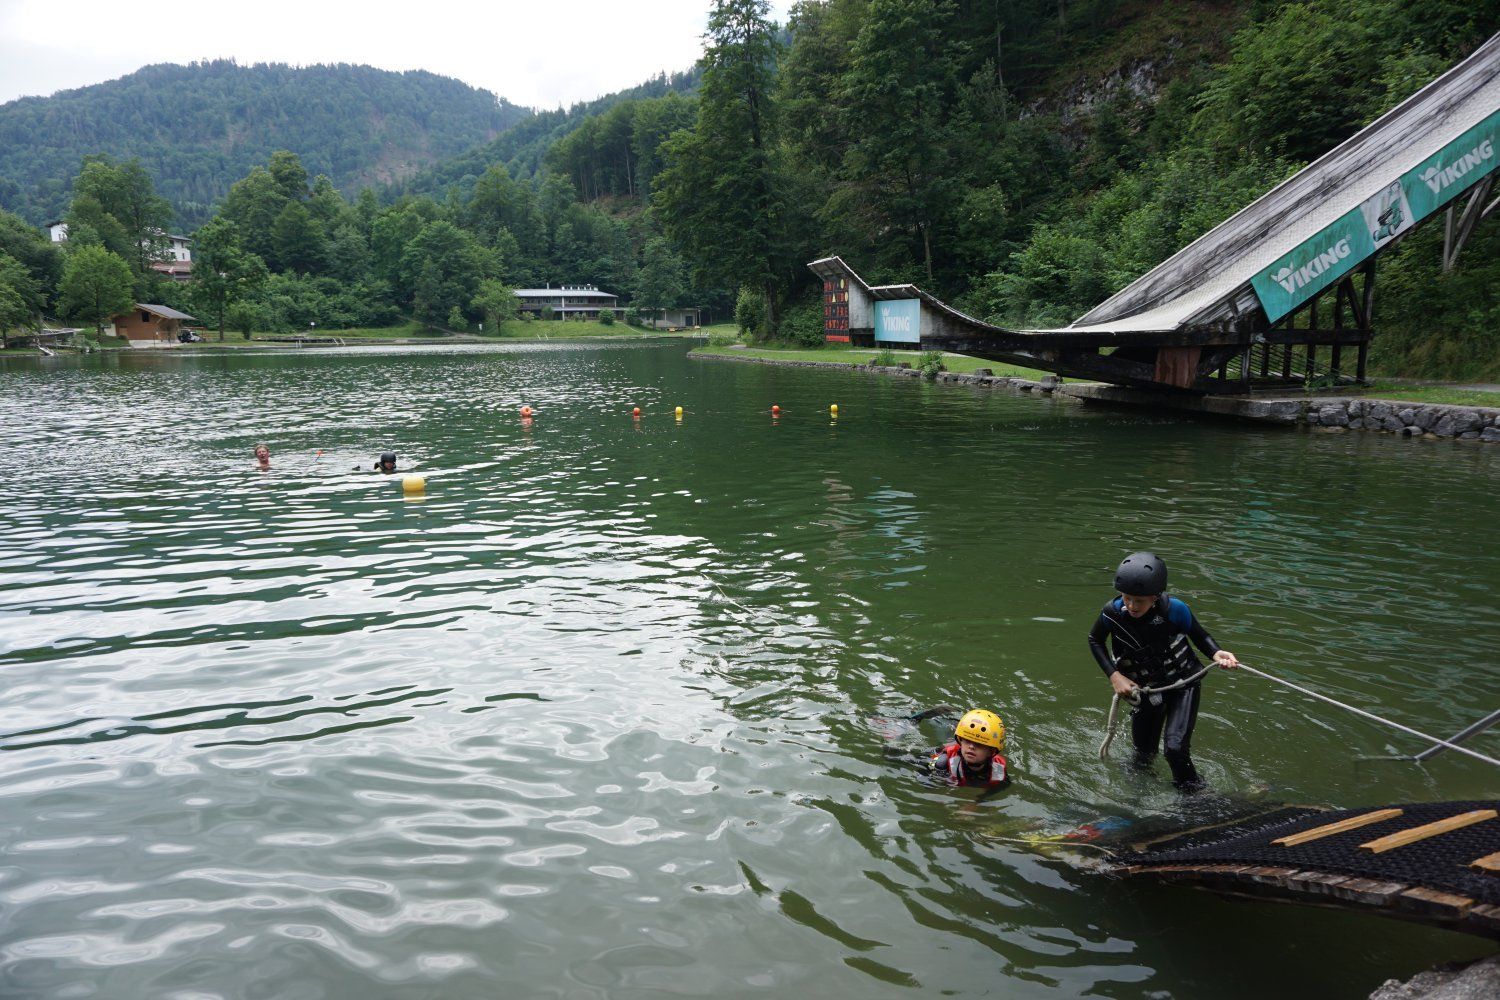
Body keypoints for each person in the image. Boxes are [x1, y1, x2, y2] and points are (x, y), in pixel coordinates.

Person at [1088, 551, 1239, 790]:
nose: (1132, 606)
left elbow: (1200, 635)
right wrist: (1115, 676)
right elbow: (1095, 640)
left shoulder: (1175, 610)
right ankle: (1139, 795)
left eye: (1140, 601)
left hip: (1183, 684)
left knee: (1175, 749)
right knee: (1142, 754)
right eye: (1127, 598)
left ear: (1155, 597)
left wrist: (1215, 652)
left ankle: (1194, 795)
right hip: (1145, 689)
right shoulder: (1112, 613)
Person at [929, 709, 1010, 794]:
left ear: (991, 751)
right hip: (946, 742)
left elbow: (1001, 787)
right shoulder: (943, 761)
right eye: (967, 741)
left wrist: (980, 799)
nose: (971, 747)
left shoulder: (999, 769)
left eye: (979, 744)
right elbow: (929, 778)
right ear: (961, 741)